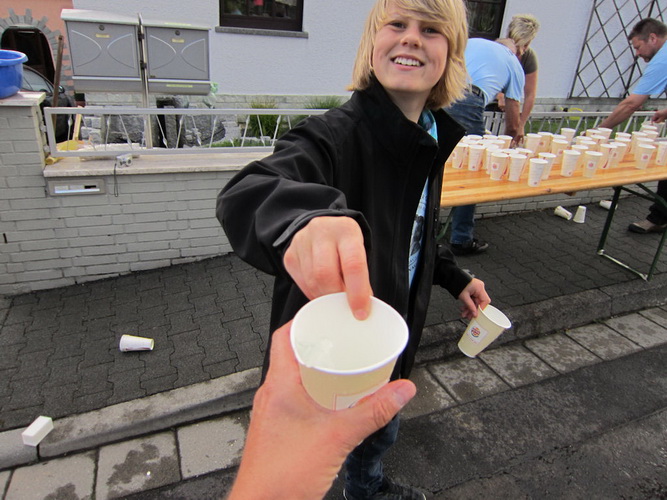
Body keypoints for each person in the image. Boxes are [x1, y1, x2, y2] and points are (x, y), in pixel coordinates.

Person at [217, 0, 491, 497]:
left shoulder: (429, 137)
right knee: (309, 459)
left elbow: (415, 229)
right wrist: (304, 219)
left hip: (393, 337)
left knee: (380, 432)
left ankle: (366, 487)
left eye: (431, 29)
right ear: (372, 44)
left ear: (451, 54)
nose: (411, 37)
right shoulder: (332, 136)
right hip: (330, 354)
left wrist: (456, 278)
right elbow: (249, 191)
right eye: (397, 24)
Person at [227, 321, 417, 499]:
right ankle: (364, 490)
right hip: (330, 379)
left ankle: (366, 485)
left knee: (378, 437)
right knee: (375, 439)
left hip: (378, 349)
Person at [445, 37, 525, 256]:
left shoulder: (473, 43)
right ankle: (461, 239)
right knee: (470, 170)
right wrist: (507, 145)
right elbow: (513, 114)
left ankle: (413, 228)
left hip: (436, 90)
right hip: (466, 99)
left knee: (431, 162)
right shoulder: (512, 61)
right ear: (516, 52)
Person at [598, 18, 667, 234]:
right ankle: (659, 219)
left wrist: (600, 130)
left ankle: (659, 218)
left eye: (638, 47)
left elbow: (631, 104)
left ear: (652, 38)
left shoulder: (662, 60)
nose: (637, 54)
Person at [495, 14, 541, 137]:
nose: (522, 50)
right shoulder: (497, 49)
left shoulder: (529, 57)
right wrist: (500, 95)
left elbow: (530, 94)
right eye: (520, 45)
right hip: (487, 105)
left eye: (526, 45)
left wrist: (521, 125)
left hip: (510, 108)